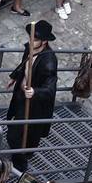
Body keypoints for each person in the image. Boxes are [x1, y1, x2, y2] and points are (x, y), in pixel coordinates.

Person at [5, 20, 58, 172]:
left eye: (35, 39)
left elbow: (50, 87)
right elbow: (24, 64)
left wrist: (35, 92)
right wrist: (16, 76)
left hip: (34, 104)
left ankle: (20, 163)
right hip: (21, 96)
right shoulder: (30, 48)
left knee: (22, 134)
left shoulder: (49, 61)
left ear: (44, 41)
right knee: (15, 125)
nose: (31, 41)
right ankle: (16, 152)